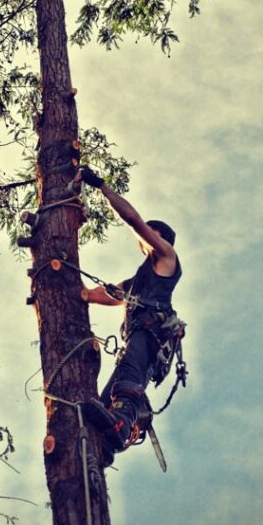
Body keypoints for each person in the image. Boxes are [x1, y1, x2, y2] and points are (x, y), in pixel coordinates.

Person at [79, 166, 182, 462]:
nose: (144, 240)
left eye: (151, 235)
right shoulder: (139, 279)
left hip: (150, 335)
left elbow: (134, 220)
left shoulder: (166, 258)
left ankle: (122, 425)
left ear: (159, 237)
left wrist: (102, 186)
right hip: (139, 339)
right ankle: (105, 445)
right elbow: (105, 294)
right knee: (106, 397)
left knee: (128, 382)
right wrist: (80, 291)